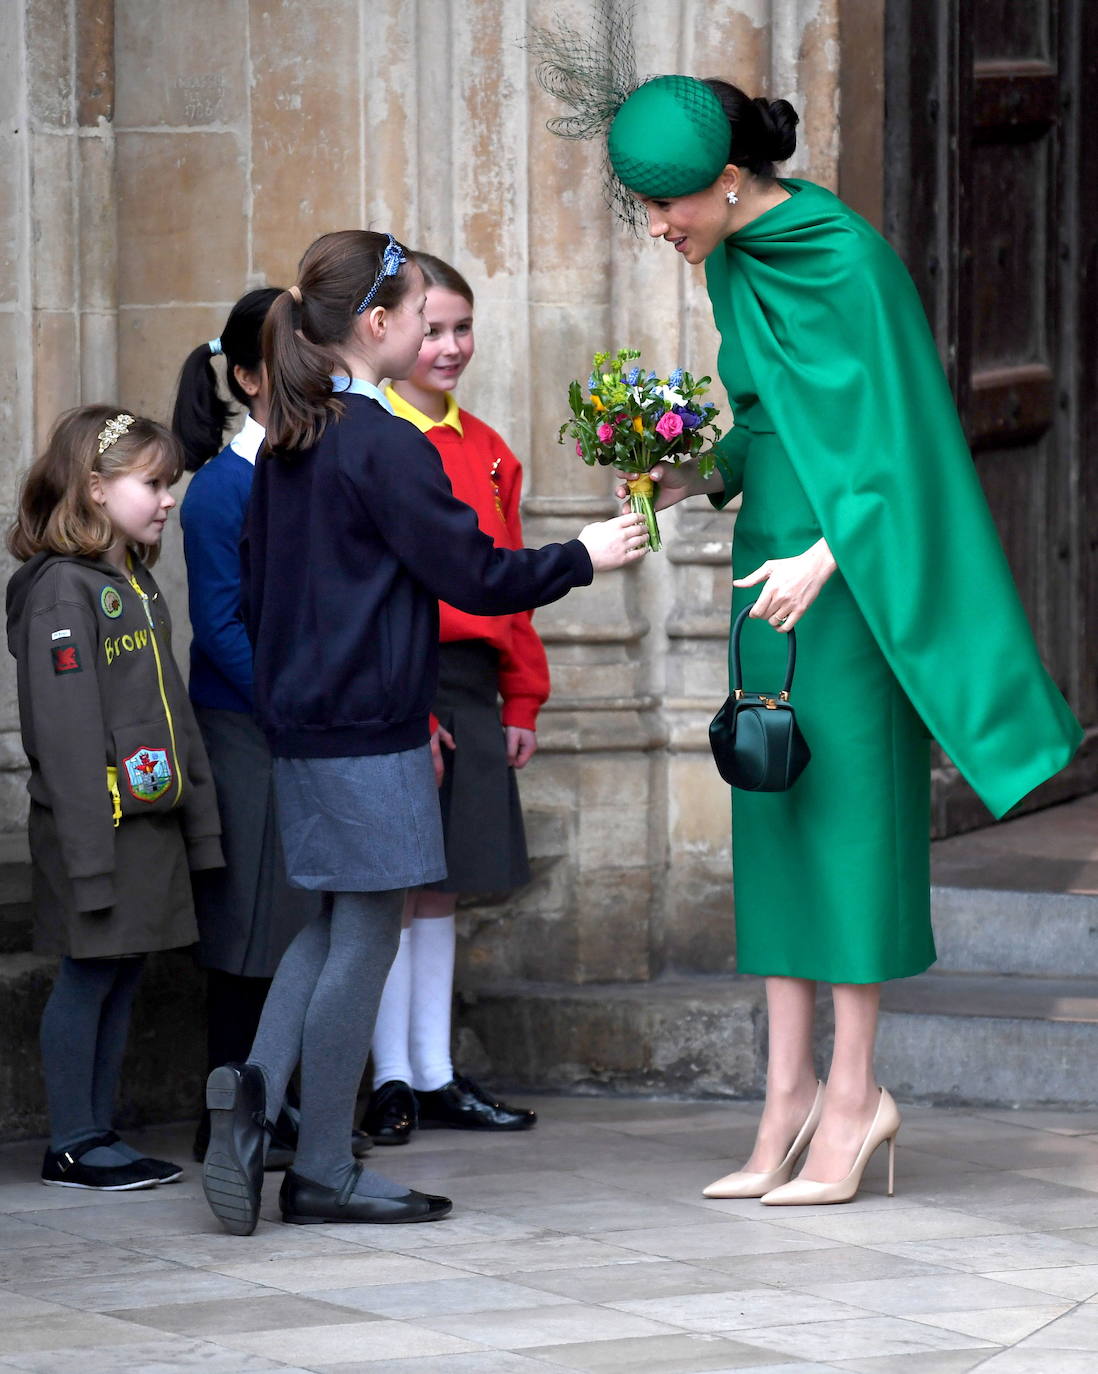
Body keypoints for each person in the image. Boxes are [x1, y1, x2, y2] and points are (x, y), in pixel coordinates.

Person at [537, 68, 1081, 1205]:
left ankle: (856, 1099)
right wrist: (679, 477)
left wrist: (831, 555)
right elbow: (774, 426)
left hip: (846, 583)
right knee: (772, 817)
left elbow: (908, 440)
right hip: (765, 576)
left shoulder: (849, 258)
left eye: (667, 206)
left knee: (849, 831)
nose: (655, 228)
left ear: (731, 181)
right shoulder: (734, 257)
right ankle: (783, 1096)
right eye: (644, 208)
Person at [201, 229, 648, 1234]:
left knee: (330, 924)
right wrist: (583, 554)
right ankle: (320, 1163)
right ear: (378, 325)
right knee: (367, 932)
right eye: (416, 314)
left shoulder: (290, 438)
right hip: (370, 726)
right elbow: (474, 575)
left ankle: (256, 1091)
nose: (427, 331)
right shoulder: (380, 441)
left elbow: (264, 598)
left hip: (307, 722)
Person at [172, 292, 369, 1170]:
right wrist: (294, 708)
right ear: (250, 376)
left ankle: (284, 1104)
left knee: (298, 920)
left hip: (302, 721)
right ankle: (229, 1116)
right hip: (250, 728)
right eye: (293, 354)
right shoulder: (221, 490)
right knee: (250, 931)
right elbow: (221, 627)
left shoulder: (311, 465)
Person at [5, 405, 224, 1191]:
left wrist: (200, 826)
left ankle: (98, 1133)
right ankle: (72, 1139)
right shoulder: (65, 592)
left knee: (123, 972)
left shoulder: (134, 579)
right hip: (96, 832)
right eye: (153, 483)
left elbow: (172, 706)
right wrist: (90, 858)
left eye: (170, 483)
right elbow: (64, 739)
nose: (167, 498)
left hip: (147, 826)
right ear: (96, 489)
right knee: (90, 974)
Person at [361, 253, 542, 1145]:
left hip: (471, 684)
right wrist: (405, 703)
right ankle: (386, 1076)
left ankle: (432, 1071)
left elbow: (509, 581)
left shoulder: (491, 449)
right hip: (403, 677)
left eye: (462, 327)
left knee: (444, 887)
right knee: (392, 885)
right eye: (431, 328)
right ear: (386, 329)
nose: (449, 345)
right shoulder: (379, 440)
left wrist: (522, 698)